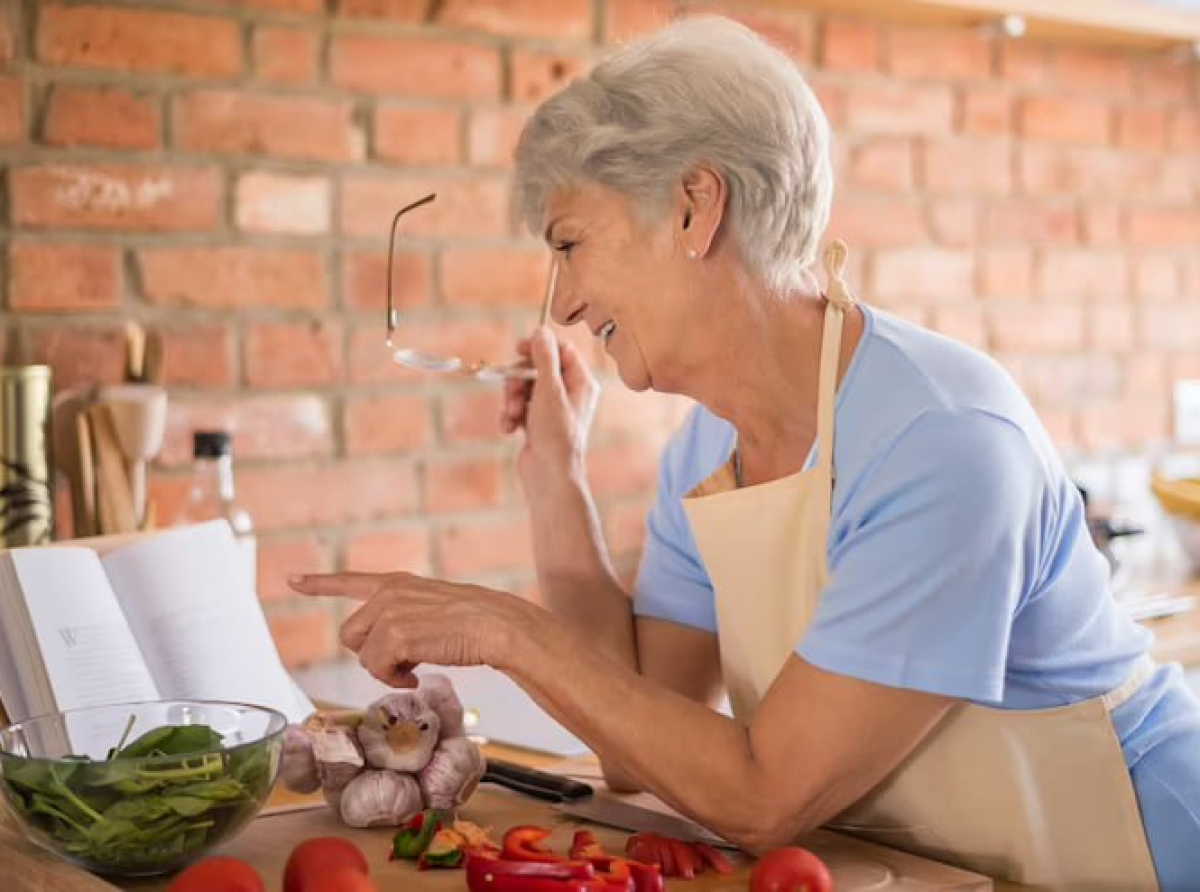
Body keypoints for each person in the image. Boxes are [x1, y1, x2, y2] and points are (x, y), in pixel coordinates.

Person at [289, 15, 1200, 889]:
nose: (561, 305)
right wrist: (553, 477)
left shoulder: (943, 443)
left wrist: (502, 630)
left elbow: (766, 796)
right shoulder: (709, 448)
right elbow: (636, 730)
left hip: (1133, 853)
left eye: (571, 244)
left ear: (695, 207)